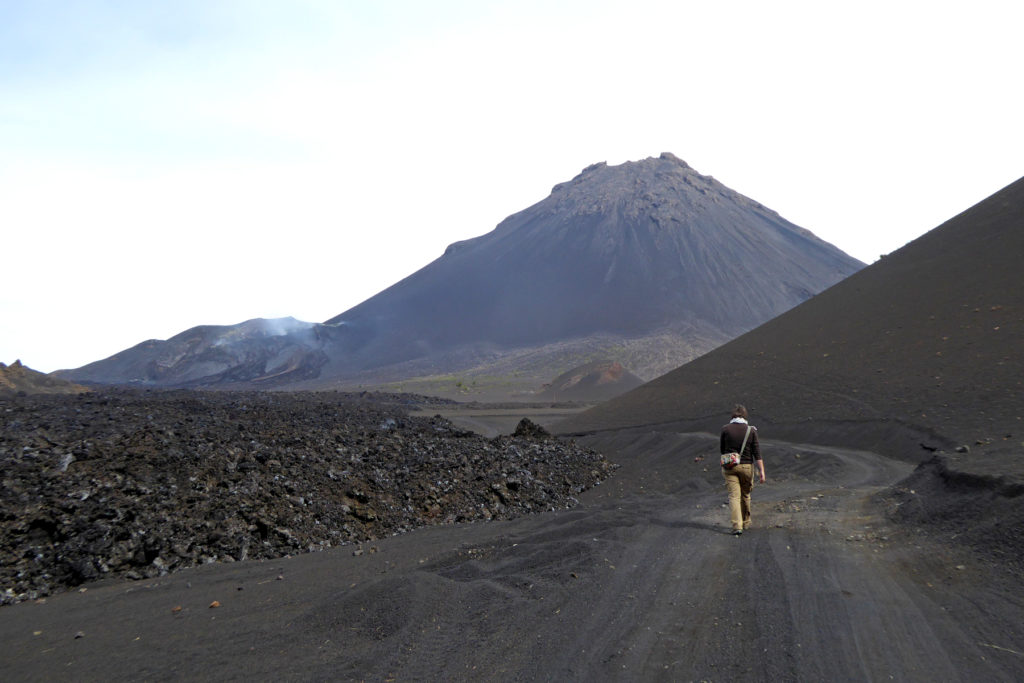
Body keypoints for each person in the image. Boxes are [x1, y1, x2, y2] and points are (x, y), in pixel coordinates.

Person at [720, 404, 765, 536]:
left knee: (734, 496)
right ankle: (746, 522)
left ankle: (737, 526)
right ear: (745, 416)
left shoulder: (725, 429)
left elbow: (722, 450)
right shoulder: (751, 430)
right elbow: (757, 453)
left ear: (732, 416)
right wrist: (762, 471)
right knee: (745, 495)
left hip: (729, 467)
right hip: (746, 467)